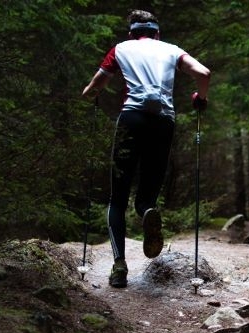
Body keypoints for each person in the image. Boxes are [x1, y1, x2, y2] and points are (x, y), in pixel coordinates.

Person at [82, 9, 210, 288]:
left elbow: (95, 86)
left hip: (132, 119)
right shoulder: (172, 50)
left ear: (131, 34)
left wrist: (91, 94)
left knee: (117, 198)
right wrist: (200, 97)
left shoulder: (120, 49)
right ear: (157, 33)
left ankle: (119, 267)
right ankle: (146, 212)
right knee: (147, 196)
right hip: (163, 122)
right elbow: (203, 72)